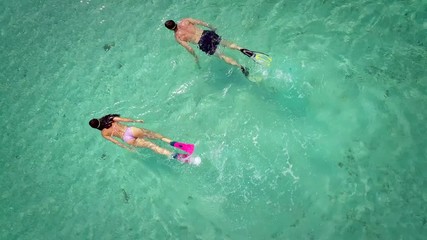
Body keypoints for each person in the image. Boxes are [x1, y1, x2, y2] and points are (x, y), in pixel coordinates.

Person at [164, 18, 257, 77]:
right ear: (174, 21)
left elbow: (190, 48)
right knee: (227, 44)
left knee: (222, 56)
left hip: (202, 43)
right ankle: (241, 49)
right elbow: (202, 22)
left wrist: (195, 57)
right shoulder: (185, 21)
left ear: (169, 29)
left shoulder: (178, 37)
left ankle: (241, 67)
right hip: (206, 34)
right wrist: (212, 28)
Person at [88, 114, 195, 163]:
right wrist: (136, 120)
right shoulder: (108, 118)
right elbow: (125, 120)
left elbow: (116, 142)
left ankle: (179, 157)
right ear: (98, 119)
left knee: (152, 146)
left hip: (126, 139)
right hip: (130, 130)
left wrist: (128, 148)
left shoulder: (104, 133)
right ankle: (177, 144)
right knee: (158, 137)